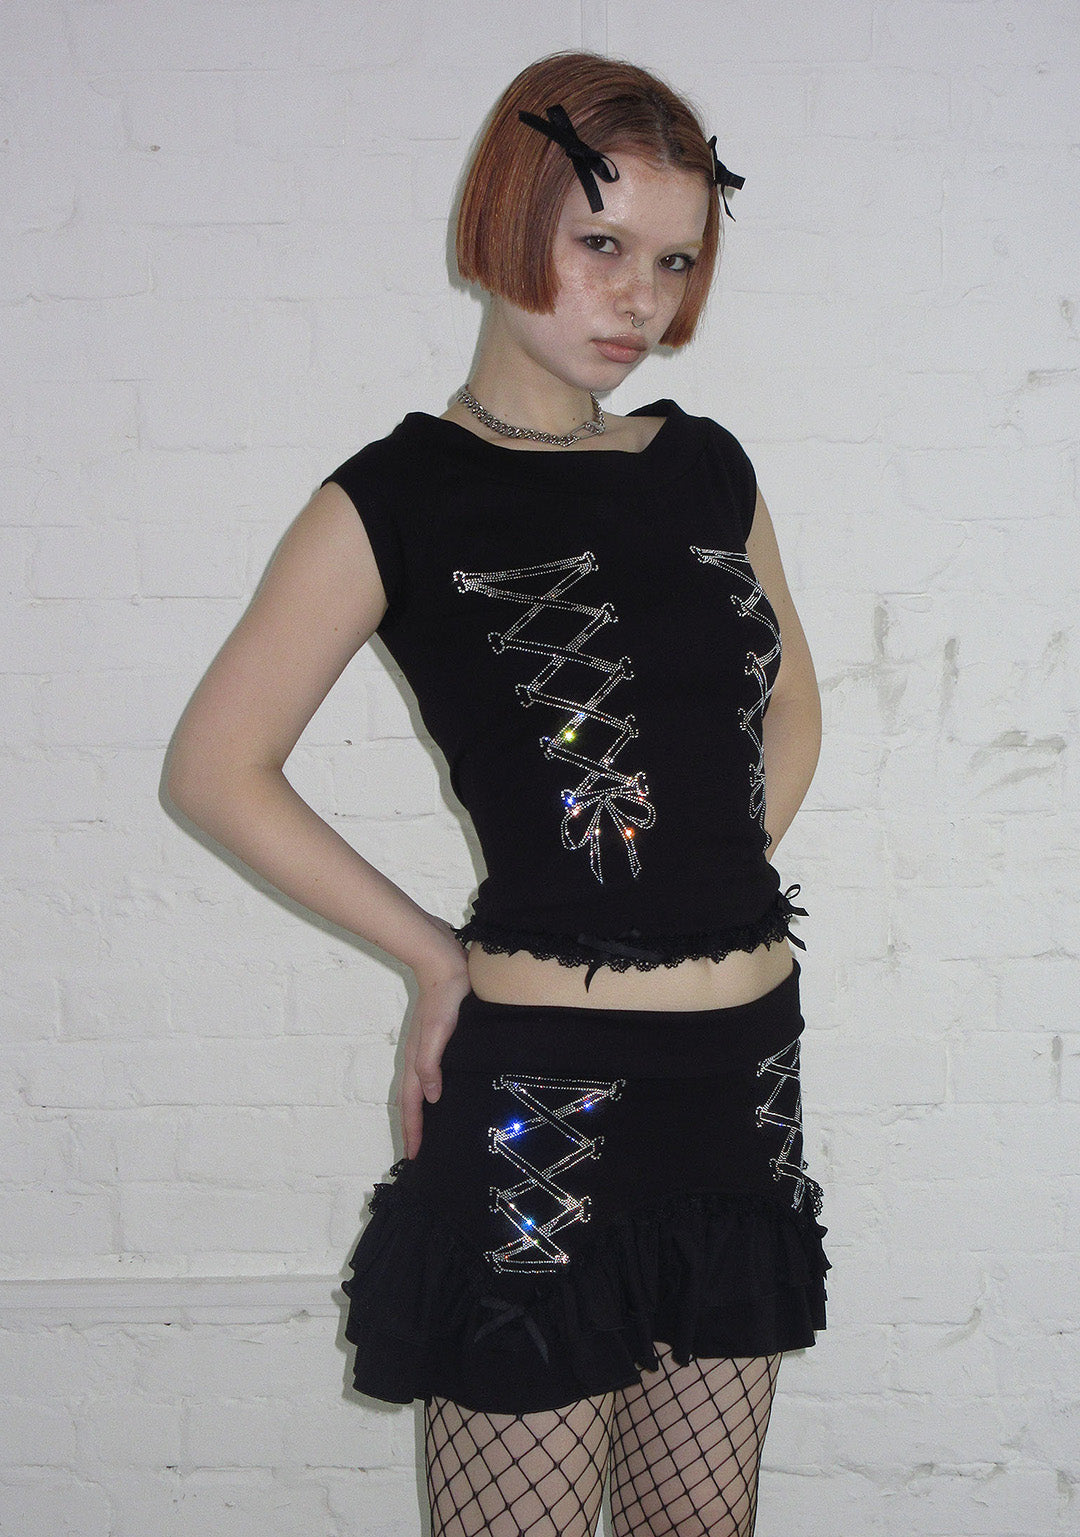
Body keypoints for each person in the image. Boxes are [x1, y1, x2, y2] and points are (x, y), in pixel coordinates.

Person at [166, 48, 829, 1537]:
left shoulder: (706, 468)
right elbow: (215, 767)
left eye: (673, 260)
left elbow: (792, 704)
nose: (638, 299)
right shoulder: (397, 496)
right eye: (601, 244)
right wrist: (428, 955)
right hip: (547, 1097)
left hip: (744, 1085)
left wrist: (698, 873)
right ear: (505, 219)